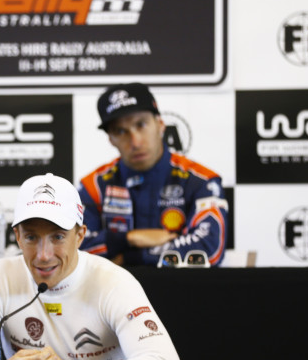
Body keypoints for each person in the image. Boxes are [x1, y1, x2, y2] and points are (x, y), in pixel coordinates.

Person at [0, 173, 181, 360]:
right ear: (17, 237)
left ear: (80, 236)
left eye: (58, 237)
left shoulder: (113, 281)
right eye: (31, 237)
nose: (44, 255)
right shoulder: (0, 276)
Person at [78, 83, 228, 267]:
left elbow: (210, 249)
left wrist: (131, 258)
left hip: (180, 286)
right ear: (111, 139)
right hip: (114, 287)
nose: (135, 142)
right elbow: (72, 248)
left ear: (160, 125)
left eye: (141, 124)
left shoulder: (201, 181)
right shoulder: (93, 186)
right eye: (121, 131)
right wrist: (128, 238)